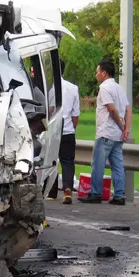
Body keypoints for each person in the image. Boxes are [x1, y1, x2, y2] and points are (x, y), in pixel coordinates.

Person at [79, 60, 131, 206]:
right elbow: (128, 109)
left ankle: (96, 193)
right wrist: (126, 129)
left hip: (106, 132)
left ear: (104, 73)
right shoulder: (119, 88)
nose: (96, 75)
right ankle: (119, 195)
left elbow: (112, 109)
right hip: (117, 136)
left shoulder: (104, 88)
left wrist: (122, 126)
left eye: (97, 72)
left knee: (97, 164)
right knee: (118, 165)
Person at [49, 60, 81, 205]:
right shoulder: (73, 88)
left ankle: (51, 191)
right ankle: (67, 189)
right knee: (68, 161)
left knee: (51, 161)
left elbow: (48, 111)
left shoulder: (49, 88)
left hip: (53, 130)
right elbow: (75, 115)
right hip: (68, 130)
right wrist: (72, 129)